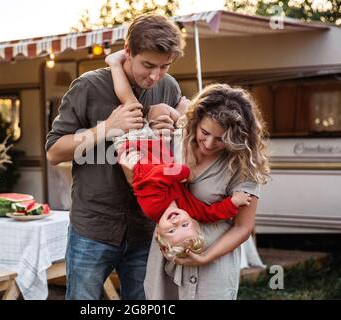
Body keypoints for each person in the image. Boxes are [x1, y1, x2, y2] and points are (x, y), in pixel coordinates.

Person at [45, 14, 185, 300]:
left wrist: (170, 127)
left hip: (146, 228)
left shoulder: (168, 87)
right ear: (128, 51)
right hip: (93, 227)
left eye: (164, 66)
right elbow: (54, 151)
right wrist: (106, 128)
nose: (156, 76)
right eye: (148, 65)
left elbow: (177, 150)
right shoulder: (88, 86)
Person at [105, 52, 252, 260]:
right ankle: (183, 112)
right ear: (192, 221)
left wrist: (182, 172)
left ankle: (114, 65)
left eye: (171, 230)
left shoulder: (153, 208)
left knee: (131, 104)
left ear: (158, 232)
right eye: (185, 225)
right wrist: (233, 203)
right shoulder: (187, 209)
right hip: (157, 150)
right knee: (161, 114)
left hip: (134, 149)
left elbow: (149, 175)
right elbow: (208, 214)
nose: (176, 222)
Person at [143, 83, 271, 300]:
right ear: (196, 120)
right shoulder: (176, 138)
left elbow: (243, 227)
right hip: (166, 261)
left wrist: (205, 257)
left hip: (213, 267)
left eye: (221, 139)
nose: (209, 144)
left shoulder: (243, 164)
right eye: (205, 132)